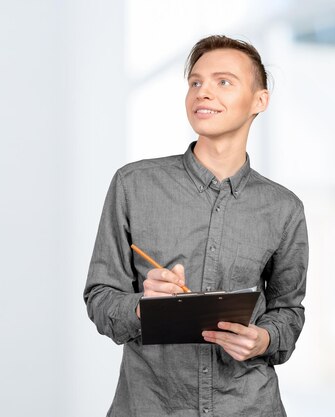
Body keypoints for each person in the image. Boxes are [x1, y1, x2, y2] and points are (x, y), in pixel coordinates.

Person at [84, 35, 308, 417]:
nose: (203, 92)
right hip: (150, 405)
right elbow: (100, 296)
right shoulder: (133, 185)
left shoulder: (283, 208)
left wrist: (263, 338)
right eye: (195, 82)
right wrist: (143, 307)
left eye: (223, 82)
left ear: (260, 101)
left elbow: (288, 310)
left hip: (250, 406)